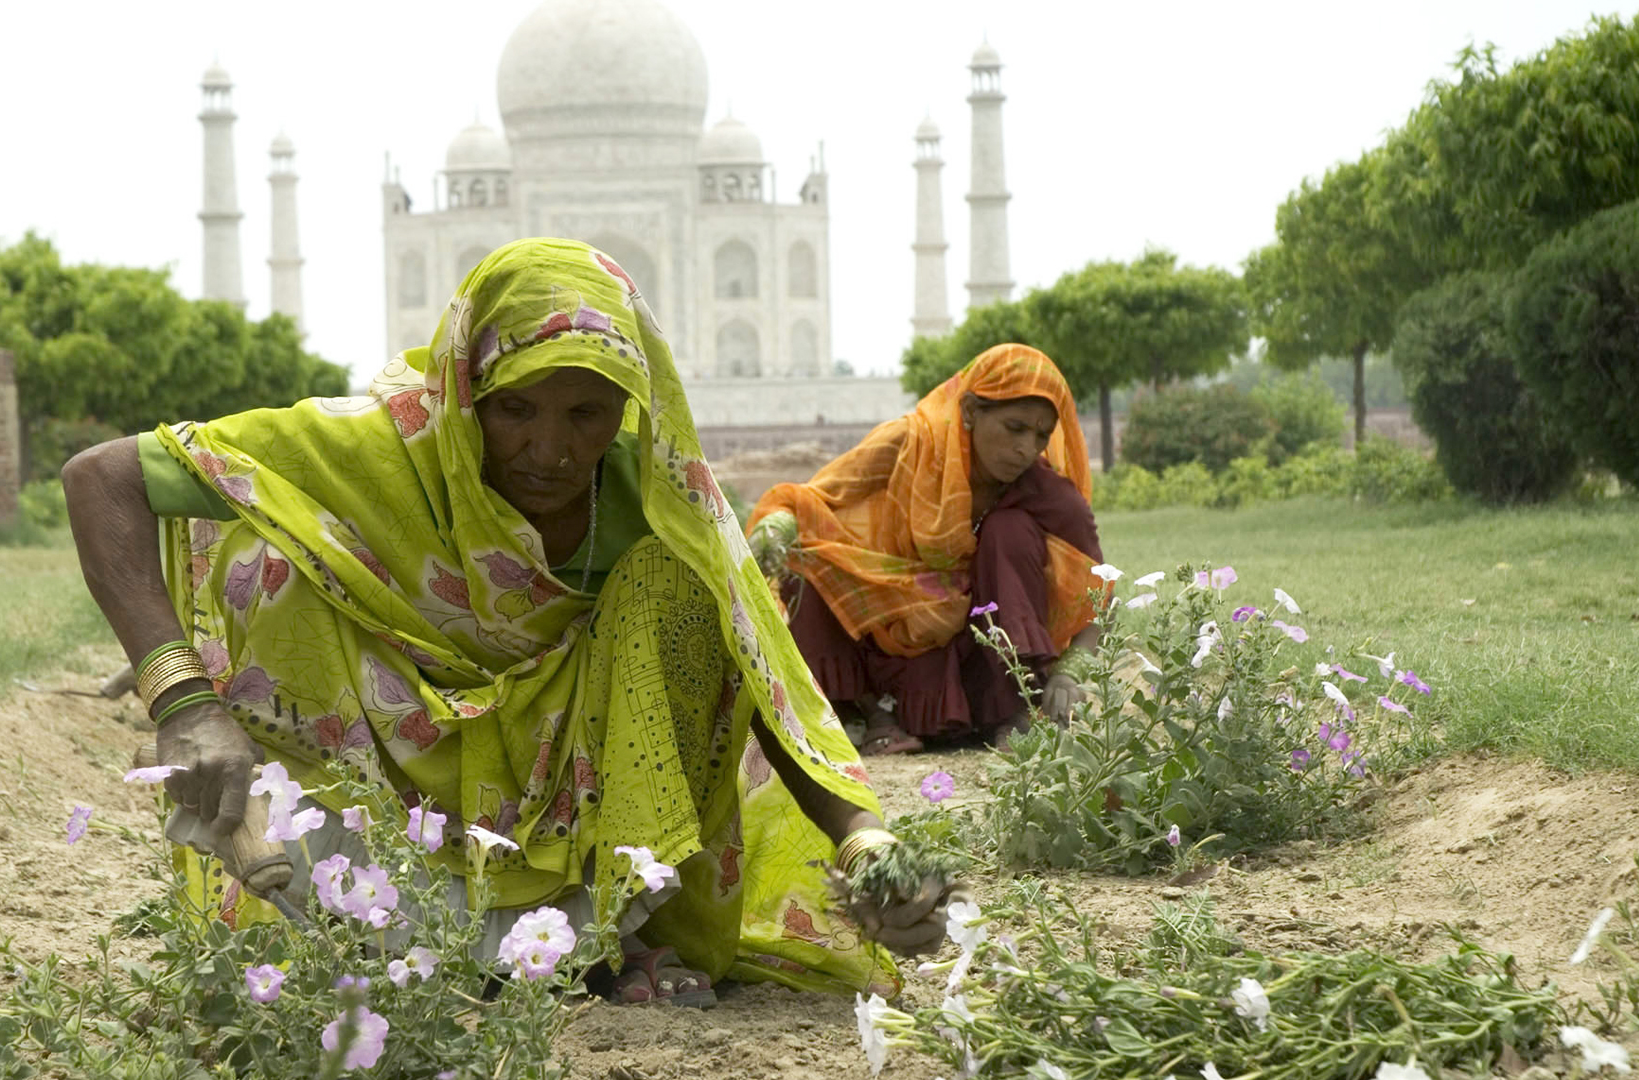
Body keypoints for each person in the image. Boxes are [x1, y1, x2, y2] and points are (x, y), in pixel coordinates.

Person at [61, 238, 947, 1006]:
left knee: (685, 591)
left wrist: (864, 841)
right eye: (515, 409)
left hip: (569, 781)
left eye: (586, 414)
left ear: (629, 409)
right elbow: (100, 476)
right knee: (275, 555)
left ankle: (610, 933)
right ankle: (356, 922)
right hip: (397, 772)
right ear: (466, 389)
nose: (552, 451)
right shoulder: (379, 447)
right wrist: (184, 701)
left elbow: (770, 674)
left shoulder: (656, 497)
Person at [747, 344, 1106, 755]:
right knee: (807, 549)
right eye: (1014, 427)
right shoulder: (912, 443)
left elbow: (1103, 595)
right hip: (891, 638)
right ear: (970, 410)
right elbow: (816, 499)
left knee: (1011, 529)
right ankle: (865, 714)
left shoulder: (1046, 492)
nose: (1027, 448)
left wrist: (1068, 674)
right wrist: (774, 530)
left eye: (1041, 435)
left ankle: (1014, 716)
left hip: (980, 659)